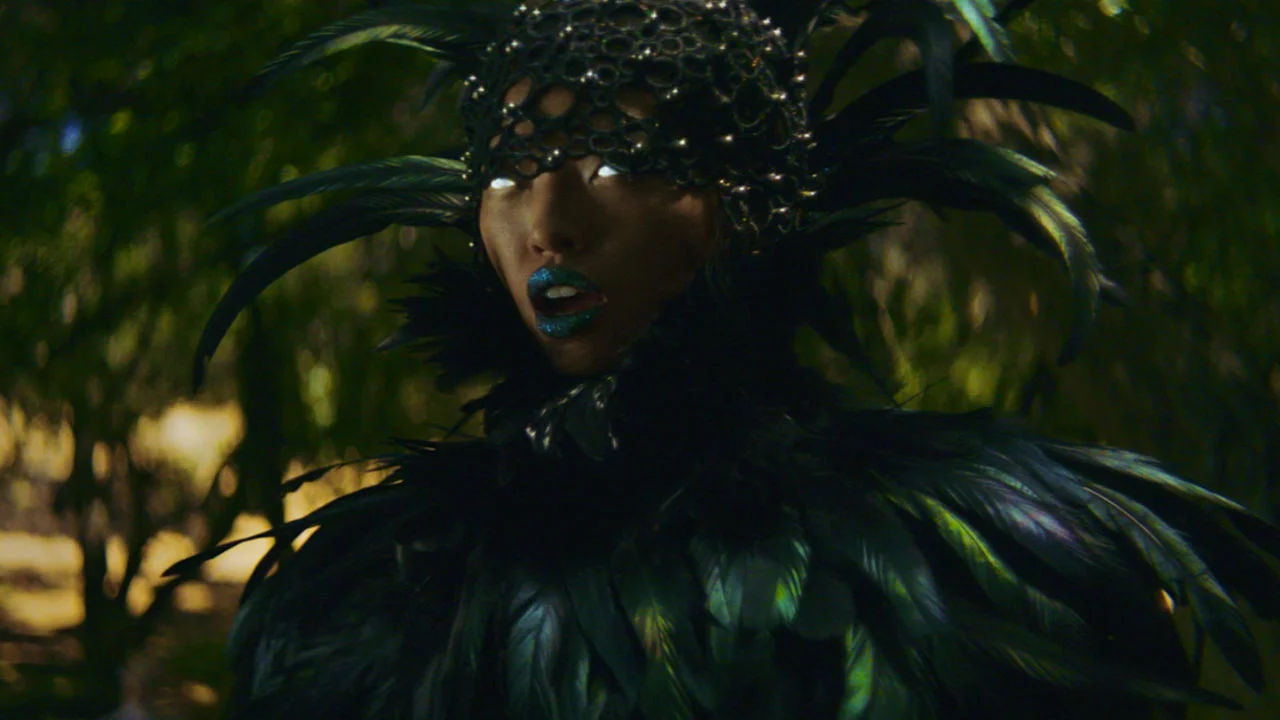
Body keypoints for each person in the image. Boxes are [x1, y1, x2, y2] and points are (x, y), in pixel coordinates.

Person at [174, 1, 1280, 718]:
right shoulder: (385, 583)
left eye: (620, 162)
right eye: (510, 171)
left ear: (743, 208)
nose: (549, 222)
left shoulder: (943, 561)